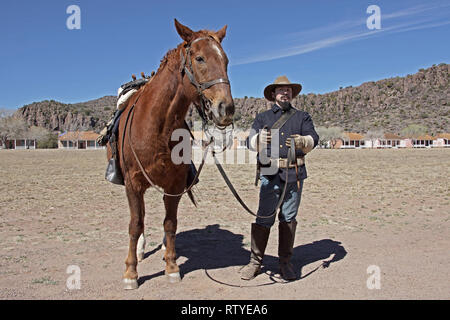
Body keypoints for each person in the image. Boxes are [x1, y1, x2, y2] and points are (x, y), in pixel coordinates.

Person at [240, 75, 319, 281]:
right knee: (263, 218)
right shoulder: (262, 118)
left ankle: (285, 263)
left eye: (289, 90)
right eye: (282, 90)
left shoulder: (302, 117)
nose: (286, 93)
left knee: (288, 219)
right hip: (270, 175)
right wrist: (258, 139)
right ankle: (255, 262)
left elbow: (314, 138)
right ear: (273, 94)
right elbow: (249, 142)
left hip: (295, 175)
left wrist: (304, 140)